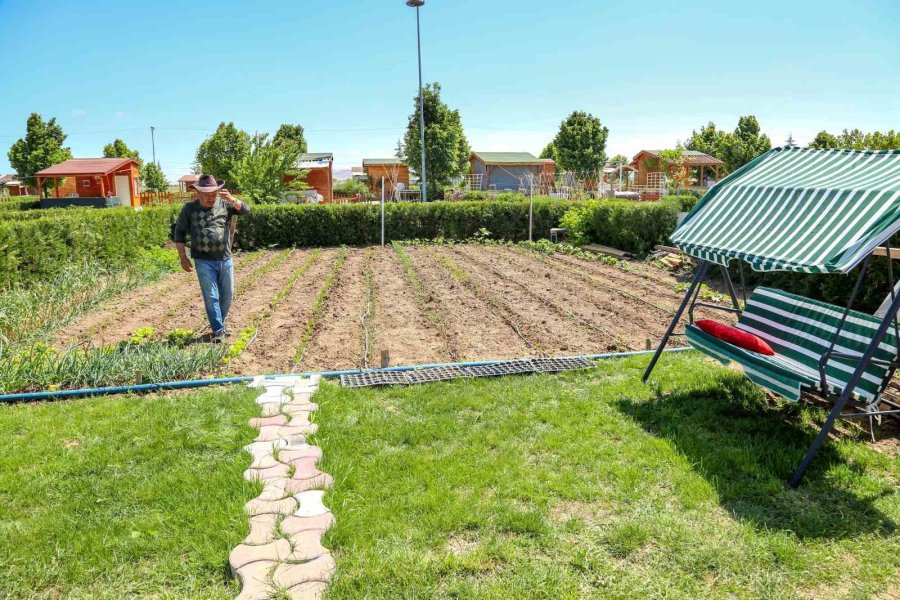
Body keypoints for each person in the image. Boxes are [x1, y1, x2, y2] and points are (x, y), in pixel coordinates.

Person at [172, 175, 250, 343]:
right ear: (198, 193)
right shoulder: (189, 209)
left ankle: (219, 324)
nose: (211, 197)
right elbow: (179, 233)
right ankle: (218, 330)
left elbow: (245, 210)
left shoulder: (225, 205)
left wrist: (231, 199)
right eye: (207, 194)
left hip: (225, 258)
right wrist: (182, 257)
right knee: (211, 295)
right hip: (203, 260)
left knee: (227, 294)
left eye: (214, 193)